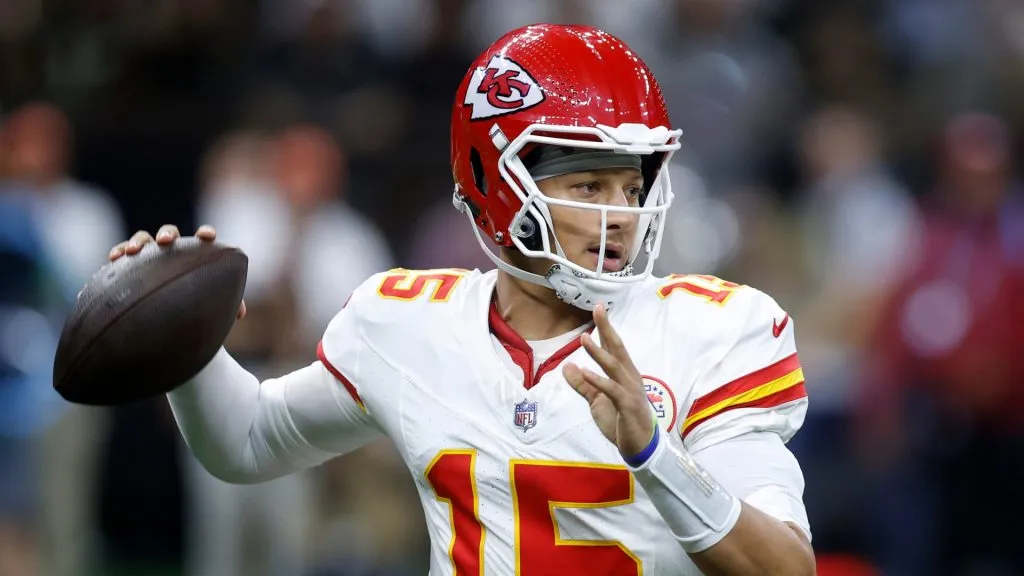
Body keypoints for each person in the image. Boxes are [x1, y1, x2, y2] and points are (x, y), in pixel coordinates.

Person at [110, 24, 815, 575]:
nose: (622, 217)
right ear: (498, 185)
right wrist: (188, 346)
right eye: (589, 187)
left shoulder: (712, 331)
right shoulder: (410, 323)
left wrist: (653, 452)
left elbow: (785, 567)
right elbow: (247, 442)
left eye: (631, 189)